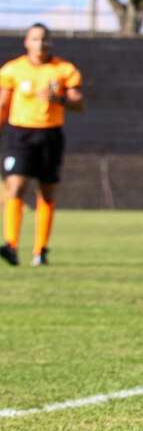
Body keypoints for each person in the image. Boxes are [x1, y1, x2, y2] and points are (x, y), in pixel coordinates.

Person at [0, 23, 84, 267]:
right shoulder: (12, 69)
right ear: (27, 42)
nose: (40, 44)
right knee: (15, 187)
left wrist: (58, 99)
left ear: (50, 43)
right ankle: (11, 246)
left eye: (44, 39)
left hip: (50, 134)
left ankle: (40, 250)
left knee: (46, 193)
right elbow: (3, 105)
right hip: (20, 134)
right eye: (35, 39)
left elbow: (79, 103)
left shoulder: (64, 69)